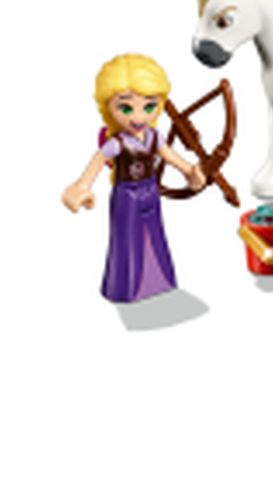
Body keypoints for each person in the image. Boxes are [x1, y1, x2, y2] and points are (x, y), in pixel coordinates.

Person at [61, 54, 206, 302]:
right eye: (126, 108)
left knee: (156, 236)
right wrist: (81, 187)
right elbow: (97, 163)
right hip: (127, 195)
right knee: (127, 241)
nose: (138, 117)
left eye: (148, 107)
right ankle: (127, 289)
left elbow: (171, 157)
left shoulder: (154, 137)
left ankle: (159, 283)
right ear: (109, 108)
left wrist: (190, 171)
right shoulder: (116, 143)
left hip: (150, 190)